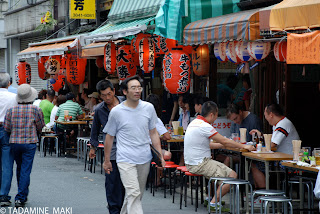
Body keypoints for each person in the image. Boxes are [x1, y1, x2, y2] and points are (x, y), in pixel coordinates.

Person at [103, 75, 165, 214]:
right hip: (125, 159)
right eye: (133, 88)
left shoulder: (148, 108)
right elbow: (109, 136)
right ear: (125, 92)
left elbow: (153, 133)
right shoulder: (117, 111)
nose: (137, 90)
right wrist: (107, 160)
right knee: (134, 192)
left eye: (139, 87)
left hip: (144, 158)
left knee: (136, 195)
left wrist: (159, 155)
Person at [184, 101, 255, 210]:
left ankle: (212, 199)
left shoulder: (194, 123)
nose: (216, 119)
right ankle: (213, 203)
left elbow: (210, 145)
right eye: (216, 116)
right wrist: (244, 146)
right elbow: (224, 141)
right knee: (232, 176)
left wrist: (225, 145)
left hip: (192, 162)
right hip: (200, 163)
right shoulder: (204, 126)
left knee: (224, 176)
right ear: (212, 114)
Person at [4, 84, 44, 207]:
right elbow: (40, 125)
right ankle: (21, 197)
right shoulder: (36, 109)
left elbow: (7, 127)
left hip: (15, 142)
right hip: (29, 142)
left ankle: (22, 195)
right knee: (25, 169)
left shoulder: (11, 110)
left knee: (20, 168)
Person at [89, 80, 125, 214]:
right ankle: (114, 210)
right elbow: (95, 129)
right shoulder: (99, 110)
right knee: (112, 183)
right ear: (100, 96)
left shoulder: (126, 103)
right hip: (112, 150)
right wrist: (93, 147)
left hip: (129, 149)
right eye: (104, 95)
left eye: (109, 94)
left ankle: (125, 208)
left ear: (114, 91)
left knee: (127, 183)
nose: (107, 98)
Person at [249, 103, 300, 189]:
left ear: (271, 115)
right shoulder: (279, 123)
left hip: (288, 161)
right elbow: (272, 142)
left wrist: (257, 147)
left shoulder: (283, 124)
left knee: (255, 165)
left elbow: (272, 145)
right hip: (283, 158)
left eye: (265, 115)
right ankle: (262, 192)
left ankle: (264, 193)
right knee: (255, 163)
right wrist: (261, 135)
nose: (266, 118)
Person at [146, 94, 172, 186]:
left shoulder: (142, 118)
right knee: (167, 154)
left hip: (141, 149)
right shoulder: (155, 119)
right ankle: (158, 179)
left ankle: (156, 178)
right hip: (151, 150)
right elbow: (168, 137)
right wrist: (159, 137)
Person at [0, 71, 17, 207]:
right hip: (7, 130)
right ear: (9, 83)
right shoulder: (14, 97)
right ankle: (4, 195)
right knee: (7, 164)